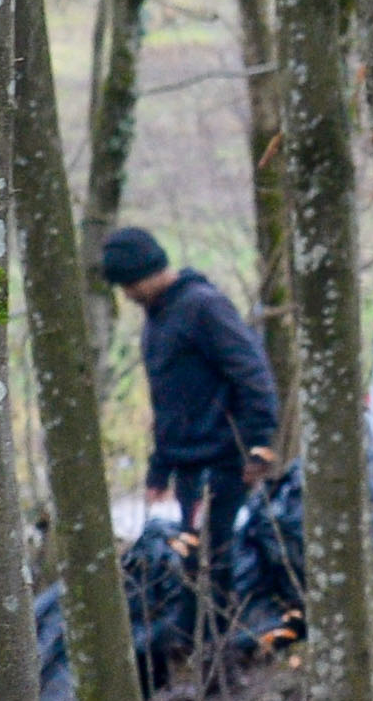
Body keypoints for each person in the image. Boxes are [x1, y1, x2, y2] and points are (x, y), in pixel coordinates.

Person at [97, 228, 279, 601]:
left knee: (217, 566)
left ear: (147, 272)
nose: (127, 295)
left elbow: (252, 374)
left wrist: (257, 446)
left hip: (224, 462)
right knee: (195, 567)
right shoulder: (157, 320)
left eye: (129, 284)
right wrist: (159, 469)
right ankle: (204, 650)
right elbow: (170, 404)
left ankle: (224, 652)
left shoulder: (203, 307)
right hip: (188, 468)